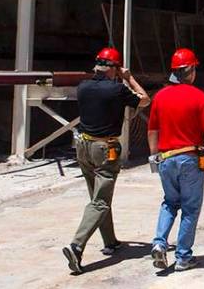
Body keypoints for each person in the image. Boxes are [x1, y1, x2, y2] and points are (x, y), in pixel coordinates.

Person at [63, 47, 150, 275]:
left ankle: (110, 242)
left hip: (82, 147)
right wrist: (128, 77)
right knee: (100, 201)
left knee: (98, 197)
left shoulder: (83, 87)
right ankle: (76, 246)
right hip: (105, 150)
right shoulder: (118, 90)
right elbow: (145, 100)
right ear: (114, 68)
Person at [147, 48, 204, 272]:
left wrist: (154, 157)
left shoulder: (160, 97)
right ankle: (183, 257)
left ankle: (160, 243)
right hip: (189, 159)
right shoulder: (200, 97)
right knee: (190, 208)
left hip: (165, 159)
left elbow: (152, 130)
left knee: (170, 203)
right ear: (190, 71)